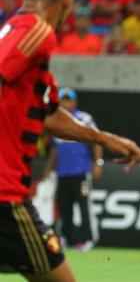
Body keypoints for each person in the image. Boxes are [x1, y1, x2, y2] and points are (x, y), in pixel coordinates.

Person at [0, 0, 140, 282]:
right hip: (4, 191)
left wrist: (104, 138)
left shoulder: (24, 39)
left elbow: (49, 113)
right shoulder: (36, 29)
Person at [43, 88, 103, 252]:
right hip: (62, 172)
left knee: (84, 206)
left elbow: (97, 140)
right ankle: (69, 239)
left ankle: (88, 239)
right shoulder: (55, 120)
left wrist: (98, 162)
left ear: (75, 102)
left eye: (69, 99)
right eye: (63, 99)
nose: (65, 103)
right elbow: (55, 150)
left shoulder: (84, 118)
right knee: (64, 207)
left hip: (81, 171)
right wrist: (49, 170)